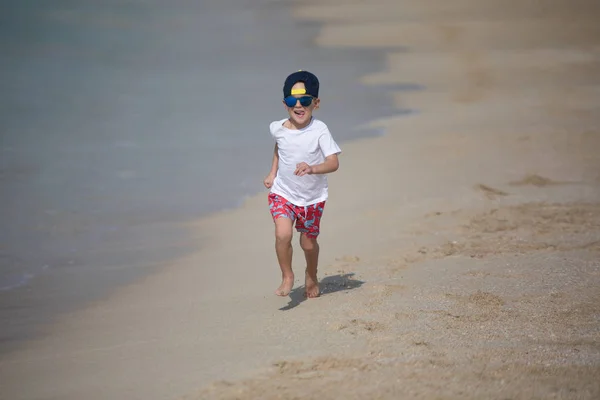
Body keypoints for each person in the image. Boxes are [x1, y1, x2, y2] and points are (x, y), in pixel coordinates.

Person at [263, 70, 342, 298]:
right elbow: (280, 148)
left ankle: (312, 273)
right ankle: (287, 276)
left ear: (316, 103)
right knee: (283, 234)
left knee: (308, 244)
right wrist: (272, 172)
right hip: (283, 193)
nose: (298, 105)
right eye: (292, 100)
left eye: (305, 100)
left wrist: (312, 168)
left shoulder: (320, 130)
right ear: (284, 103)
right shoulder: (278, 128)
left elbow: (333, 162)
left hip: (311, 198)